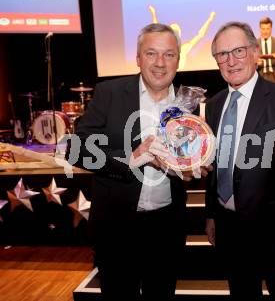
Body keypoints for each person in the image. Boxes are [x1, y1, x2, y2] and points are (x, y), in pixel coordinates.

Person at [68, 23, 191, 301]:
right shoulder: (109, 92)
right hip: (116, 229)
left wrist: (195, 164)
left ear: (178, 59)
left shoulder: (188, 104)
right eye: (151, 53)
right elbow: (76, 150)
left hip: (166, 229)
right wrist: (131, 158)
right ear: (138, 58)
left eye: (169, 55)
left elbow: (192, 160)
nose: (160, 63)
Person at [205, 21, 275, 301]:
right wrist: (211, 213)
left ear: (255, 52)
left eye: (238, 51)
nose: (230, 61)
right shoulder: (214, 104)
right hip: (229, 231)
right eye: (222, 54)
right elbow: (216, 166)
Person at [148, 5, 216, 71]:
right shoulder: (165, 47)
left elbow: (200, 35)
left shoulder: (184, 48)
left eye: (176, 31)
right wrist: (153, 13)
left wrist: (209, 20)